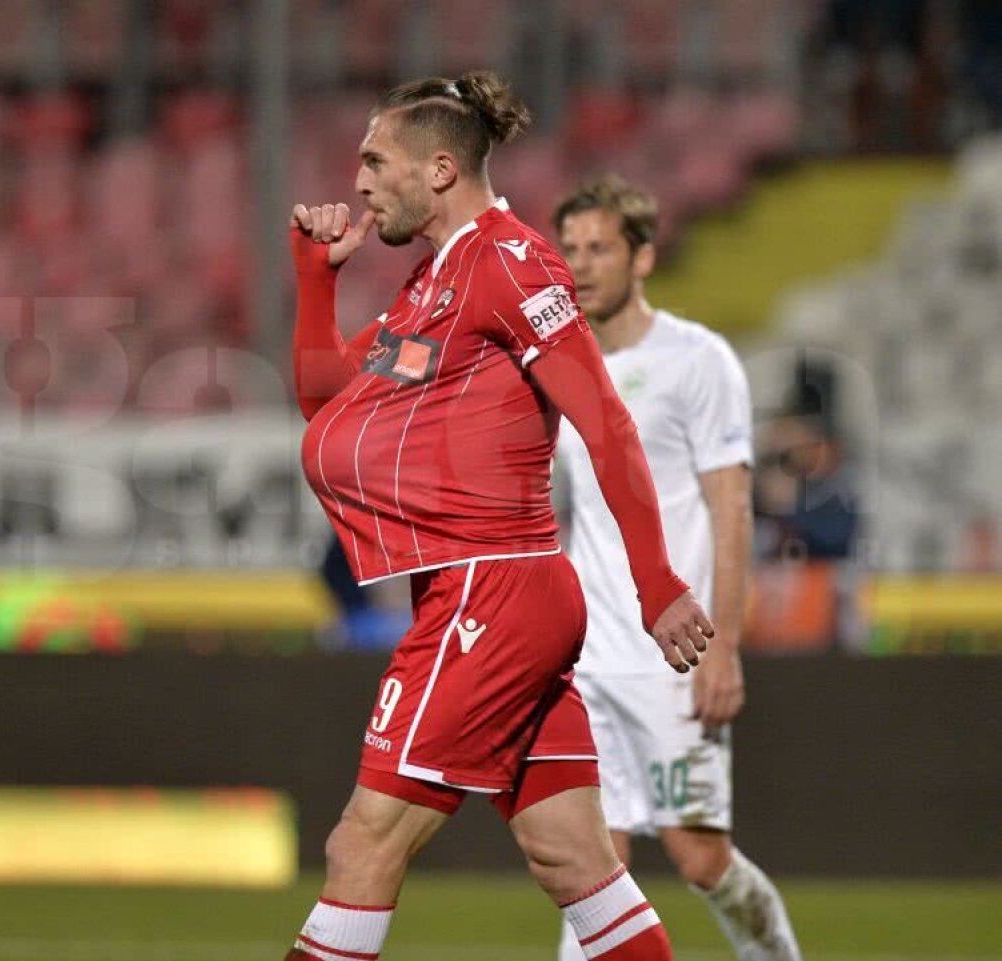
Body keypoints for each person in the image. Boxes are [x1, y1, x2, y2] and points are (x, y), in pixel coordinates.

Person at [285, 71, 714, 961]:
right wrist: (315, 283)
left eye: (375, 161)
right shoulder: (434, 280)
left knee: (362, 842)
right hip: (486, 594)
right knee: (572, 858)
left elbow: (606, 422)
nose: (358, 182)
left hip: (492, 590)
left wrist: (657, 582)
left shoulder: (512, 264)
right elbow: (324, 397)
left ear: (440, 170)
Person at [551, 175, 802, 961]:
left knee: (700, 858)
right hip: (588, 657)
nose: (581, 264)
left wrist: (724, 645)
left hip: (674, 655)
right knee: (589, 864)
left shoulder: (698, 360)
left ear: (644, 257)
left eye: (599, 248)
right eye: (570, 249)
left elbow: (732, 509)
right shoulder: (559, 366)